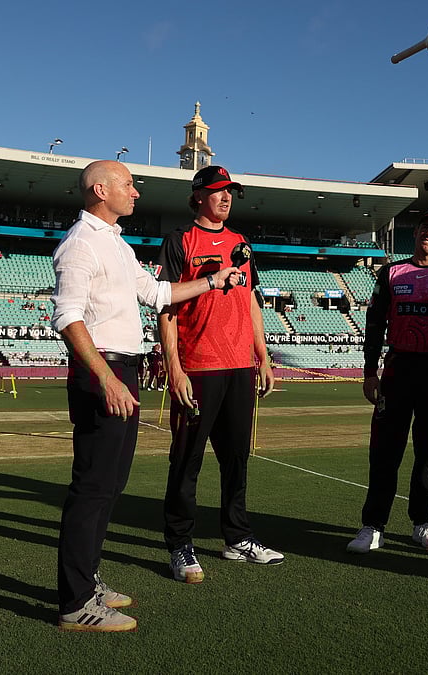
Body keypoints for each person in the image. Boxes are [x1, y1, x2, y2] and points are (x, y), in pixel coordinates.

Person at [51, 160, 240, 632]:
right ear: (100, 189)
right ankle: (76, 604)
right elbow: (67, 318)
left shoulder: (114, 242)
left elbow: (157, 294)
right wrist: (107, 379)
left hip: (124, 371)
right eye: (129, 185)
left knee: (110, 487)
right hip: (104, 373)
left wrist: (214, 282)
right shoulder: (80, 245)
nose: (136, 193)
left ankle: (88, 581)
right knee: (91, 489)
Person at [157, 165, 281, 584]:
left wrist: (262, 356)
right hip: (198, 367)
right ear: (198, 197)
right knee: (187, 461)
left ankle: (238, 537)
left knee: (236, 459)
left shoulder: (241, 242)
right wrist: (174, 366)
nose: (226, 198)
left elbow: (250, 302)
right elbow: (166, 307)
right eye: (217, 191)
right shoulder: (179, 241)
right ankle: (179, 544)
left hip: (239, 367)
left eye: (230, 192)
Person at [346, 210, 428, 554]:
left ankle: (422, 523)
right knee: (385, 451)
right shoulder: (391, 272)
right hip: (398, 369)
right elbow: (374, 324)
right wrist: (370, 372)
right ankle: (373, 526)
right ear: (415, 233)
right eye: (424, 228)